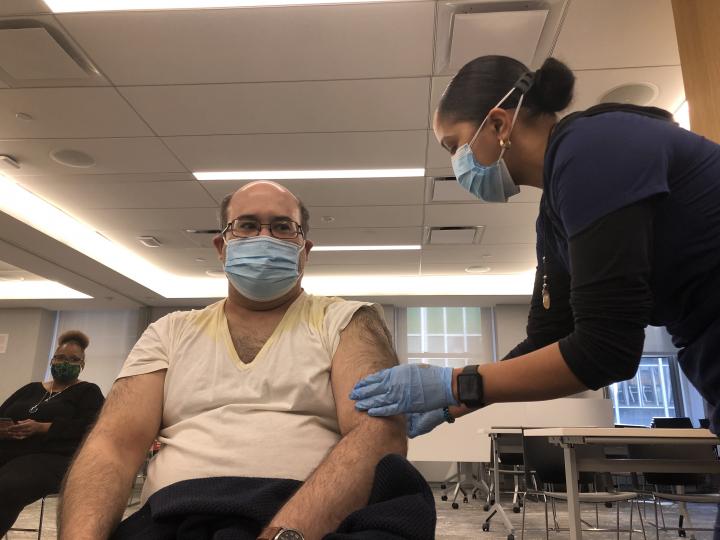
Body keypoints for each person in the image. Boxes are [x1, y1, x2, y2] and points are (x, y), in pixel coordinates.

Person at [351, 55, 720, 448]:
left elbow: (606, 350)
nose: (456, 163)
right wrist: (454, 402)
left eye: (454, 145)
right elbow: (547, 339)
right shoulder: (553, 217)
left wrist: (454, 383)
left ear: (498, 123)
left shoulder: (593, 149)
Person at [58, 181, 435, 540]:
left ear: (305, 249)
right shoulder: (168, 332)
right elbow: (113, 444)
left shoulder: (347, 320)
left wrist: (285, 533)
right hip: (177, 516)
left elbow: (376, 433)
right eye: (248, 225)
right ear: (222, 247)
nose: (264, 238)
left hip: (313, 520)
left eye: (283, 227)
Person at [0, 330, 104, 536]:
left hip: (54, 457)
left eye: (74, 360)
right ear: (52, 360)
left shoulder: (88, 392)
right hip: (8, 449)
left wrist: (44, 427)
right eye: (61, 358)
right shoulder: (30, 389)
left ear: (82, 365)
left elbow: (92, 427)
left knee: (6, 485)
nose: (66, 363)